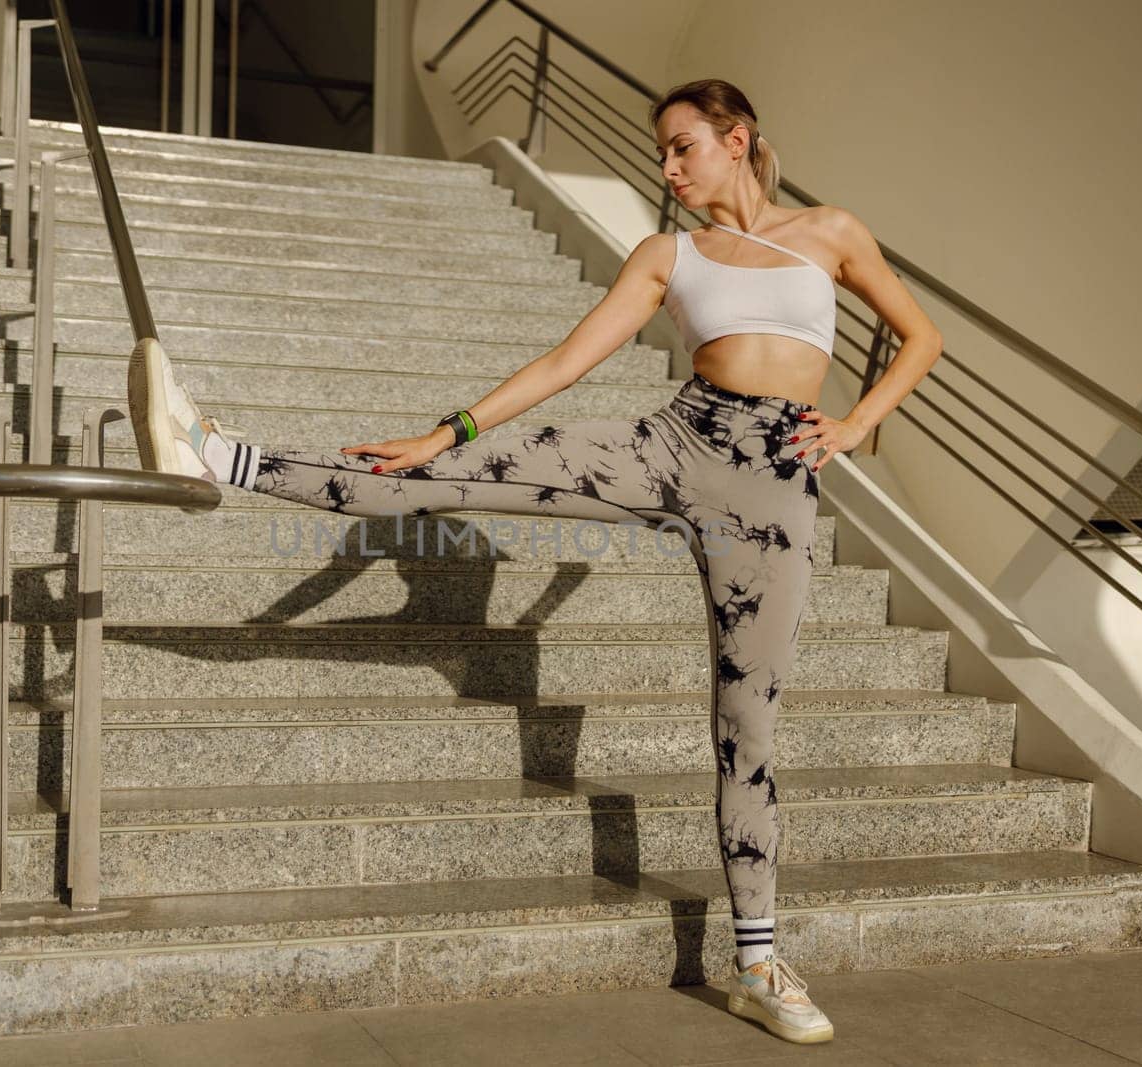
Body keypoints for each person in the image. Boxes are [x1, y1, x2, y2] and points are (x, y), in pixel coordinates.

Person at [128, 77, 942, 1046]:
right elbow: (567, 361)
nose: (670, 166)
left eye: (683, 145)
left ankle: (757, 960)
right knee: (441, 478)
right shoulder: (665, 253)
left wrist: (854, 423)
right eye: (664, 152)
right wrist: (446, 430)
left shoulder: (830, 230)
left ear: (737, 138)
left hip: (772, 488)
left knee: (747, 723)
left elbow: (921, 334)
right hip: (671, 443)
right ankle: (216, 453)